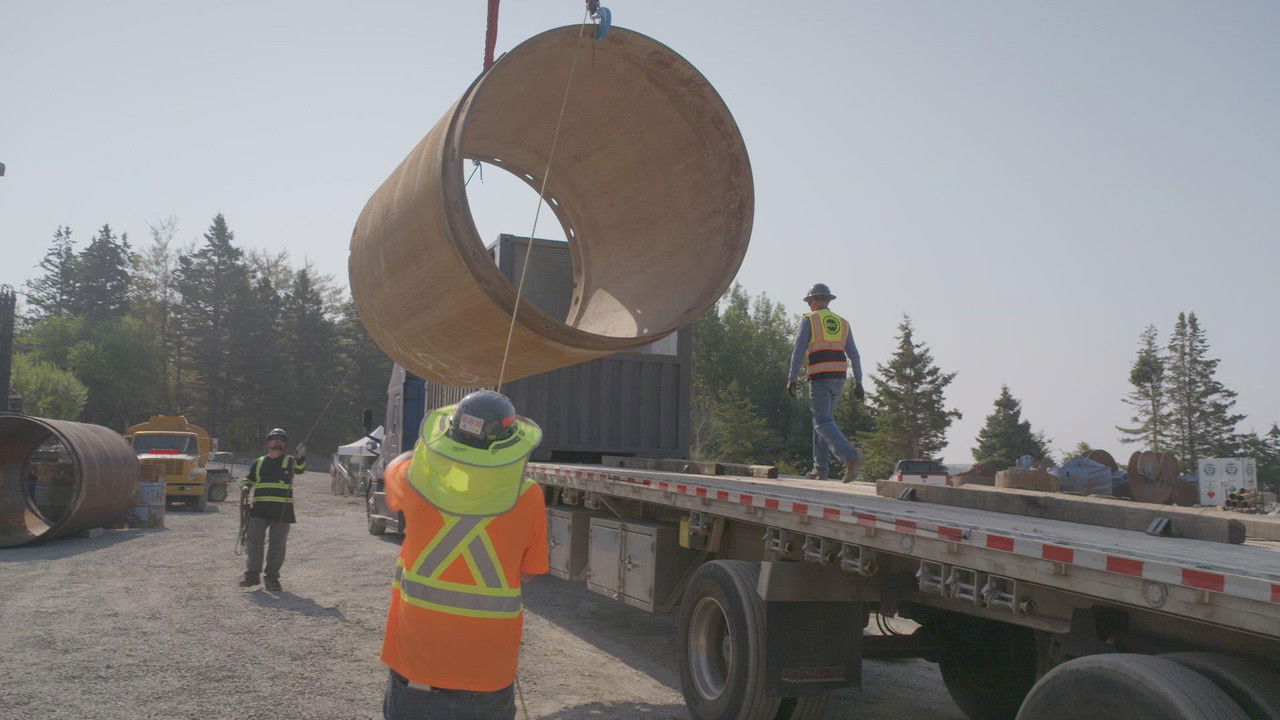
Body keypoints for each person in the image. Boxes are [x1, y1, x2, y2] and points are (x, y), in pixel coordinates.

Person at [379, 390, 548, 720]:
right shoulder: (528, 495)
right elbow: (529, 572)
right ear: (509, 443)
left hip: (416, 672)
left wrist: (427, 454)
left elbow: (393, 467)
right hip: (487, 677)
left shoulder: (415, 480)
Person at [787, 283, 866, 482]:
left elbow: (798, 351)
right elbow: (854, 355)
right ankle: (820, 469)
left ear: (813, 300)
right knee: (823, 421)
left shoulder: (810, 319)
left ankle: (851, 457)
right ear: (828, 300)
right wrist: (858, 383)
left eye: (809, 302)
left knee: (822, 422)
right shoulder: (842, 322)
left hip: (820, 376)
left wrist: (792, 378)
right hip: (839, 377)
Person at [239, 428, 306, 591]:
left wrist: (302, 456)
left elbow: (300, 469)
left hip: (282, 511)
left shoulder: (290, 460)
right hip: (259, 509)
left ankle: (272, 578)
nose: (278, 441)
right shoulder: (259, 462)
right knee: (254, 542)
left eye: (281, 439)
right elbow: (248, 478)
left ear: (285, 444)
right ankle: (252, 575)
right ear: (268, 442)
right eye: (274, 438)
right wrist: (245, 486)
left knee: (277, 545)